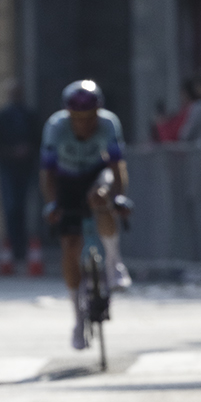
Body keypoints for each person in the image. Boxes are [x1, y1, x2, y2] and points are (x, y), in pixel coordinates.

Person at [40, 80, 132, 350]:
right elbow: (47, 174)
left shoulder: (108, 123)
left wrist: (118, 196)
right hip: (67, 180)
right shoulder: (55, 128)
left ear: (98, 113)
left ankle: (114, 263)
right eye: (78, 119)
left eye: (90, 118)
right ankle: (78, 319)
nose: (84, 125)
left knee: (100, 197)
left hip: (96, 174)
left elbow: (117, 167)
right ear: (69, 116)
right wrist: (51, 204)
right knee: (69, 245)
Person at [0, 80, 40, 266]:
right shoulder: (1, 116)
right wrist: (11, 151)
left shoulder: (29, 115)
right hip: (7, 168)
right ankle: (12, 248)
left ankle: (25, 249)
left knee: (24, 207)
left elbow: (39, 140)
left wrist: (27, 150)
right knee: (10, 207)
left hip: (25, 169)